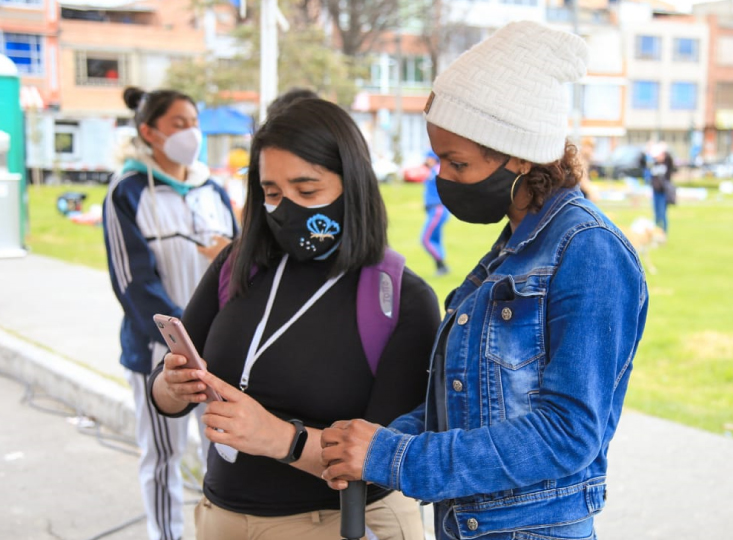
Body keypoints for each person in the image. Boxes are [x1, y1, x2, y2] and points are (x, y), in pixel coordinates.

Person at [320, 21, 649, 540]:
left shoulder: (589, 250)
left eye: (458, 163)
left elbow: (566, 434)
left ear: (519, 154)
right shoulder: (513, 247)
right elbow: (469, 406)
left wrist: (395, 456)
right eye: (438, 160)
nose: (443, 178)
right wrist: (380, 439)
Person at [149, 98, 441, 540]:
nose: (287, 209)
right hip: (221, 516)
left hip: (334, 523)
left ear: (354, 185)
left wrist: (280, 439)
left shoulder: (402, 298)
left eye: (307, 192)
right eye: (272, 193)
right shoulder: (238, 264)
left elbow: (385, 460)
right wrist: (171, 387)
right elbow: (168, 388)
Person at [103, 86, 239, 540]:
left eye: (193, 122)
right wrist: (183, 340)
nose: (191, 133)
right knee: (162, 457)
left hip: (220, 352)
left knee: (222, 454)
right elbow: (133, 283)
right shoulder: (127, 192)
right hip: (162, 354)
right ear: (149, 132)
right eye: (178, 124)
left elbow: (242, 263)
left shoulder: (212, 190)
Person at [420, 149, 450, 276]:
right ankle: (441, 267)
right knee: (435, 239)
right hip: (434, 209)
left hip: (438, 209)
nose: (426, 160)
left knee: (426, 239)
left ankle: (441, 265)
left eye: (428, 157)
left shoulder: (437, 170)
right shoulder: (433, 170)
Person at [650, 142, 676, 235]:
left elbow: (670, 158)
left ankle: (664, 233)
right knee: (656, 214)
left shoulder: (667, 164)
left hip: (663, 193)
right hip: (655, 192)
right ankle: (656, 233)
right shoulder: (655, 164)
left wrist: (664, 149)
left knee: (662, 214)